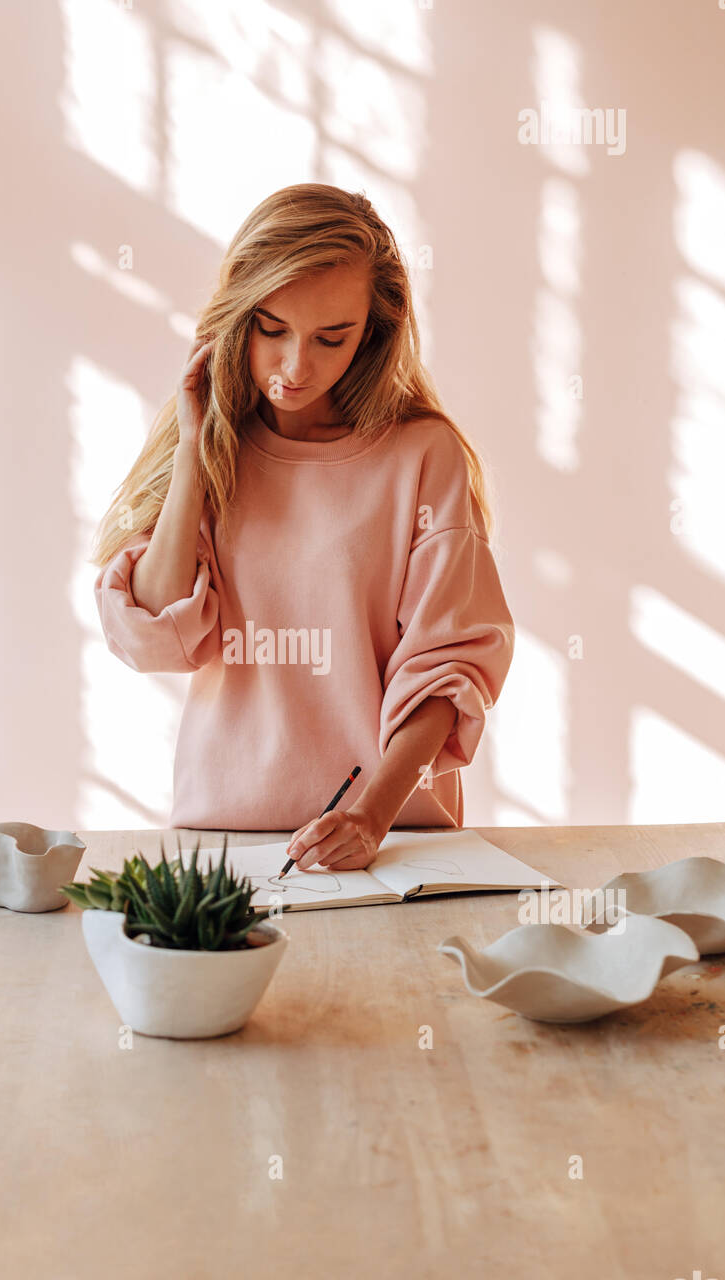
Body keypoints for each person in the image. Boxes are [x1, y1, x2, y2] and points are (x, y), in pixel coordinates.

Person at [91, 184, 515, 872]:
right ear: (239, 315)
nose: (295, 366)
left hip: (395, 843)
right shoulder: (215, 449)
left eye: (330, 338)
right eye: (272, 329)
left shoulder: (421, 455)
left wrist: (369, 816)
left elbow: (448, 666)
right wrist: (196, 456)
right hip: (224, 837)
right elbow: (155, 639)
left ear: (372, 332)